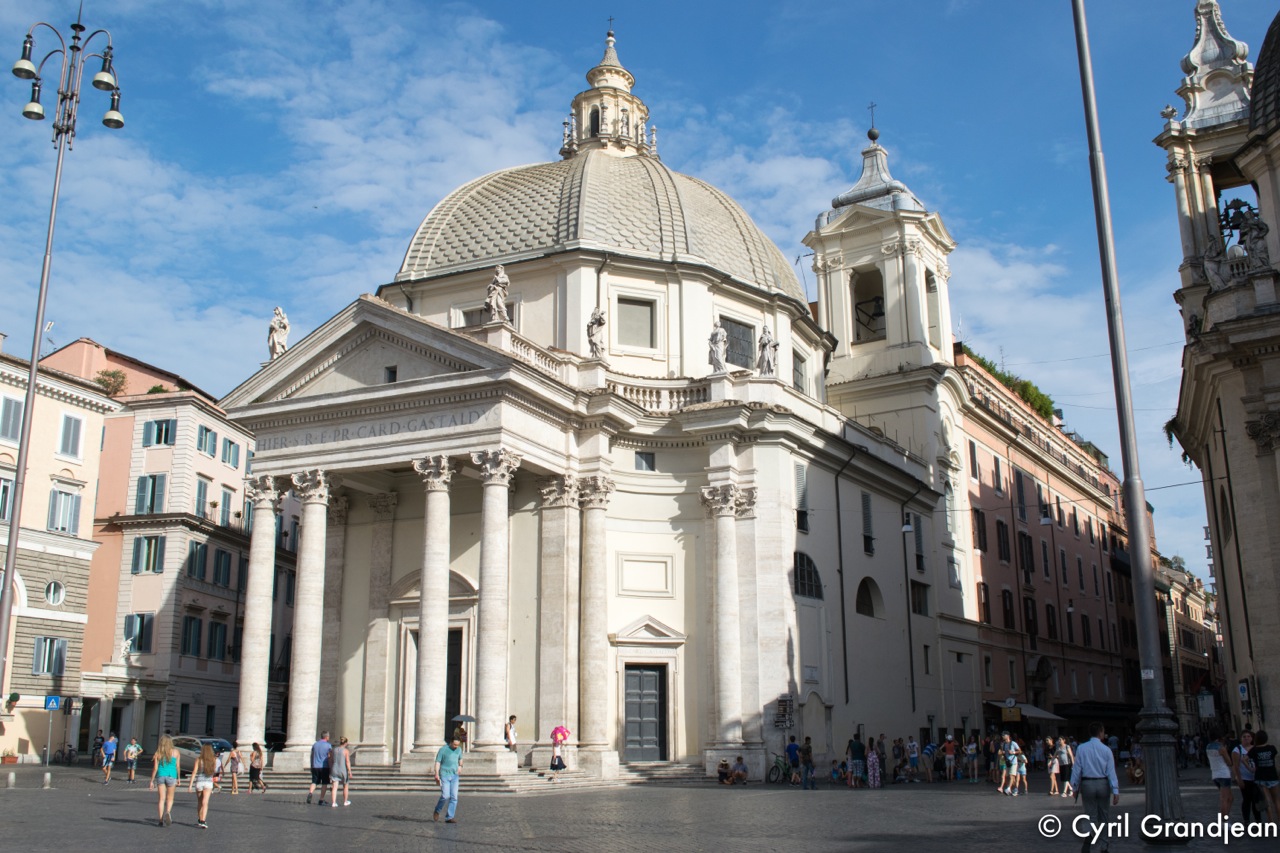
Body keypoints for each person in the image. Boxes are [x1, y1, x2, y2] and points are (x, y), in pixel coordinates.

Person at [1070, 722, 1119, 853]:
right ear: (1101, 733)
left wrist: (1074, 787)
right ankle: (1104, 846)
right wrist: (1115, 790)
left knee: (1089, 814)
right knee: (1104, 815)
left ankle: (1088, 838)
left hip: (1087, 784)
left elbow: (1077, 769)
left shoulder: (1081, 748)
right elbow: (1111, 772)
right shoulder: (1106, 750)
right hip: (1103, 783)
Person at [1247, 729, 1279, 823]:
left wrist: (1251, 768)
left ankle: (1271, 822)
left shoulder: (1254, 750)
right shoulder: (1272, 748)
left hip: (1260, 777)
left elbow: (1244, 759)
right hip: (1273, 776)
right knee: (1276, 800)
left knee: (1267, 802)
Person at [148, 734, 180, 827]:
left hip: (161, 775)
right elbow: (177, 766)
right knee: (170, 798)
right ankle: (168, 812)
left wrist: (152, 780)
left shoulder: (158, 753)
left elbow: (155, 768)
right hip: (172, 775)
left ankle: (161, 820)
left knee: (161, 799)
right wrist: (178, 778)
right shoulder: (176, 752)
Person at [187, 744, 221, 829]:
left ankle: (199, 819)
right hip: (208, 782)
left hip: (199, 782)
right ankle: (203, 820)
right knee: (205, 802)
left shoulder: (198, 759)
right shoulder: (213, 760)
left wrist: (190, 785)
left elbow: (194, 772)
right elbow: (214, 772)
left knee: (199, 802)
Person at [432, 735, 464, 823]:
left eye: (457, 745)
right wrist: (436, 774)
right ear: (450, 742)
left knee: (454, 797)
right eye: (454, 745)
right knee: (445, 795)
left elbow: (460, 759)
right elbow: (438, 762)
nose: (456, 747)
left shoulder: (459, 750)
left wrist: (460, 766)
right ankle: (437, 810)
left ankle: (449, 817)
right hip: (444, 775)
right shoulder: (443, 750)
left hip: (454, 775)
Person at [1207, 728, 1235, 817]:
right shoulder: (1221, 748)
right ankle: (1224, 821)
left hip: (1215, 774)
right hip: (1224, 774)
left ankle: (1224, 817)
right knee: (1225, 799)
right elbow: (1229, 762)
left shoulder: (1208, 747)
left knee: (1230, 798)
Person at [306, 731, 332, 805]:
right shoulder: (328, 745)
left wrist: (311, 765)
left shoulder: (315, 745)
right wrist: (331, 768)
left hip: (315, 766)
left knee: (314, 781)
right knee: (324, 783)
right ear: (326, 737)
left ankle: (310, 793)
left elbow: (312, 755)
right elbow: (329, 757)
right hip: (324, 767)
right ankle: (321, 799)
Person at [330, 736, 352, 807]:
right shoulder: (346, 751)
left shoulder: (334, 750)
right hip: (343, 769)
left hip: (335, 768)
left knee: (334, 787)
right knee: (345, 785)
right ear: (346, 743)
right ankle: (345, 801)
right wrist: (350, 771)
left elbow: (331, 759)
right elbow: (347, 761)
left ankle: (333, 802)